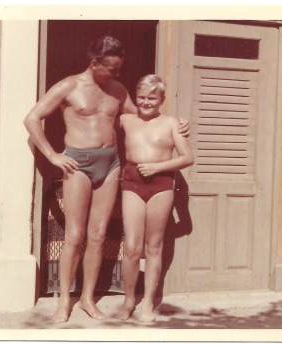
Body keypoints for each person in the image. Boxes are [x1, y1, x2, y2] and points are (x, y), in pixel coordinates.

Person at [24, 35, 189, 323]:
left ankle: (87, 298)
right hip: (79, 163)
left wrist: (177, 123)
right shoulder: (69, 86)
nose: (117, 74)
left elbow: (145, 116)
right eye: (112, 69)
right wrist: (53, 155)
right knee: (74, 236)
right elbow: (32, 118)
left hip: (110, 162)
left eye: (118, 70)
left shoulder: (117, 89)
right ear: (94, 63)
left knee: (98, 235)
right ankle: (64, 301)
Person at [114, 74, 194, 322]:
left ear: (162, 99)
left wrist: (157, 168)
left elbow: (187, 157)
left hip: (161, 184)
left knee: (154, 246)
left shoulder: (172, 123)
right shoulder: (126, 119)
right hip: (132, 182)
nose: (146, 102)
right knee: (131, 247)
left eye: (152, 98)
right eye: (141, 97)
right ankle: (129, 300)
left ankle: (147, 302)